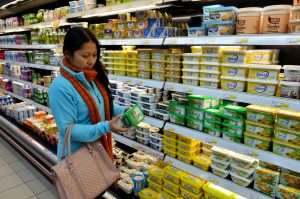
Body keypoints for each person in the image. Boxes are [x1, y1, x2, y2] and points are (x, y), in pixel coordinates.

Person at [49, 27, 128, 161]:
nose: (91, 61)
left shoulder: (92, 77)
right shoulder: (60, 87)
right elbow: (68, 130)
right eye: (85, 56)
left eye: (94, 55)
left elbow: (103, 104)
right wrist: (106, 127)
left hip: (98, 150)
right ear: (68, 54)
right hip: (78, 157)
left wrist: (125, 111)